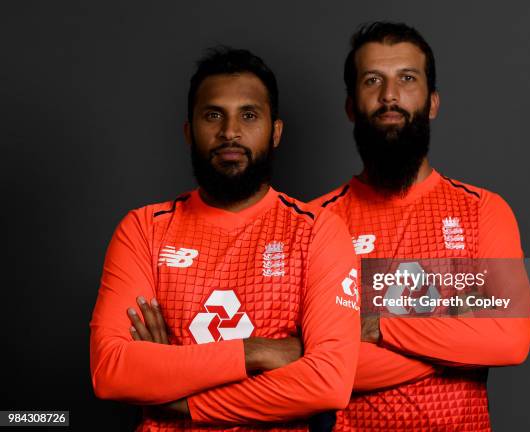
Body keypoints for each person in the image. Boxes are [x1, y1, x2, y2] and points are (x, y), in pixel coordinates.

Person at [90, 47, 361, 431]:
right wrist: (257, 352)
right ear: (189, 131)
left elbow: (328, 383)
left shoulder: (318, 230)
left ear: (276, 131)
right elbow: (112, 371)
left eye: (248, 115)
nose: (229, 131)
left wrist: (180, 391)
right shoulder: (144, 229)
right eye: (213, 115)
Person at [311, 22, 530, 431]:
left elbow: (510, 338)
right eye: (372, 80)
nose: (389, 96)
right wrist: (456, 333)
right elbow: (316, 369)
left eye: (407, 79)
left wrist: (380, 326)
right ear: (350, 106)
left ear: (432, 102)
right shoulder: (314, 222)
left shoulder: (483, 210)